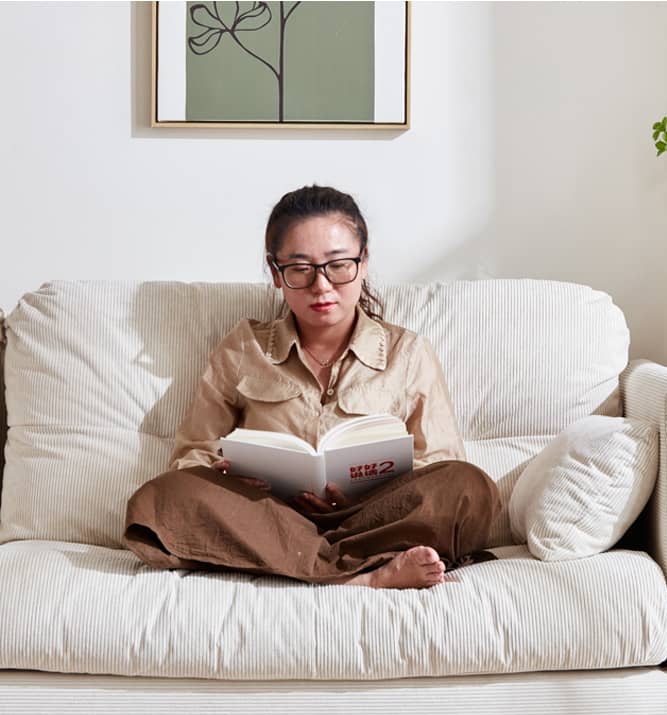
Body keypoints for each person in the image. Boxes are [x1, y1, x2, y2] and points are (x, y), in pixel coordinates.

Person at [124, 185, 501, 589]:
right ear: (275, 273)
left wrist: (370, 491)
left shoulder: (408, 352)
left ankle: (313, 565)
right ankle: (362, 575)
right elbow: (190, 456)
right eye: (300, 269)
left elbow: (441, 462)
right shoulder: (243, 347)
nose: (321, 286)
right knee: (159, 497)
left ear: (364, 261)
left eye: (338, 266)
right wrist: (225, 473)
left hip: (372, 519)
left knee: (469, 487)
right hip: (269, 518)